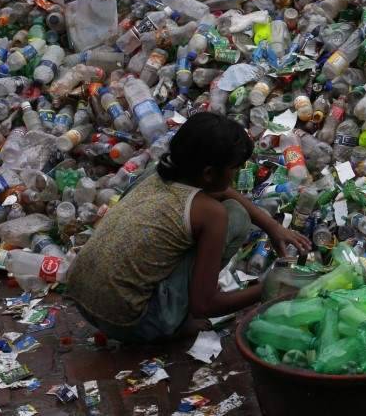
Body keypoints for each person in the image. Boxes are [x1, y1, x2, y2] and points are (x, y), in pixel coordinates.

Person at [68, 112, 311, 343]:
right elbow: (204, 307)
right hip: (132, 323)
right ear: (208, 173)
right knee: (236, 216)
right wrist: (272, 288)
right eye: (235, 168)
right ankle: (174, 323)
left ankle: (180, 297)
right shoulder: (209, 213)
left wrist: (271, 226)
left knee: (227, 211)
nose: (237, 175)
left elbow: (221, 189)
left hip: (82, 300)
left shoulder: (156, 173)